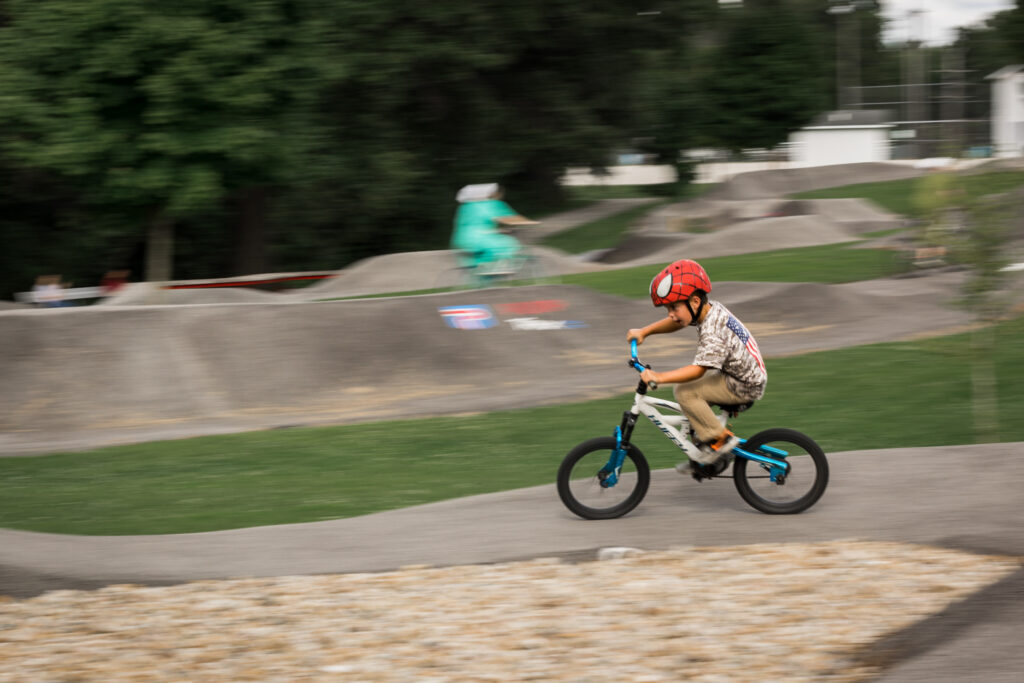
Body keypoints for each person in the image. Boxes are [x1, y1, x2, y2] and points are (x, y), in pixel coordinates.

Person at [626, 259, 766, 470]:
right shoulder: (708, 310)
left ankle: (720, 441)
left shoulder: (713, 329)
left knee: (686, 393)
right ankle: (704, 455)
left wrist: (658, 377)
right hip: (737, 375)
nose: (670, 314)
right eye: (667, 309)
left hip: (743, 384)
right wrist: (645, 331)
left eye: (674, 307)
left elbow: (698, 370)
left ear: (693, 301)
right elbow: (677, 321)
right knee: (690, 405)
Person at [450, 183, 537, 273]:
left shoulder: (465, 206)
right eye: (496, 193)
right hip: (480, 239)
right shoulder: (491, 204)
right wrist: (530, 222)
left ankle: (483, 270)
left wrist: (498, 230)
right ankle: (494, 269)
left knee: (492, 248)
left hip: (461, 240)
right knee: (509, 243)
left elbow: (474, 223)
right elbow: (509, 219)